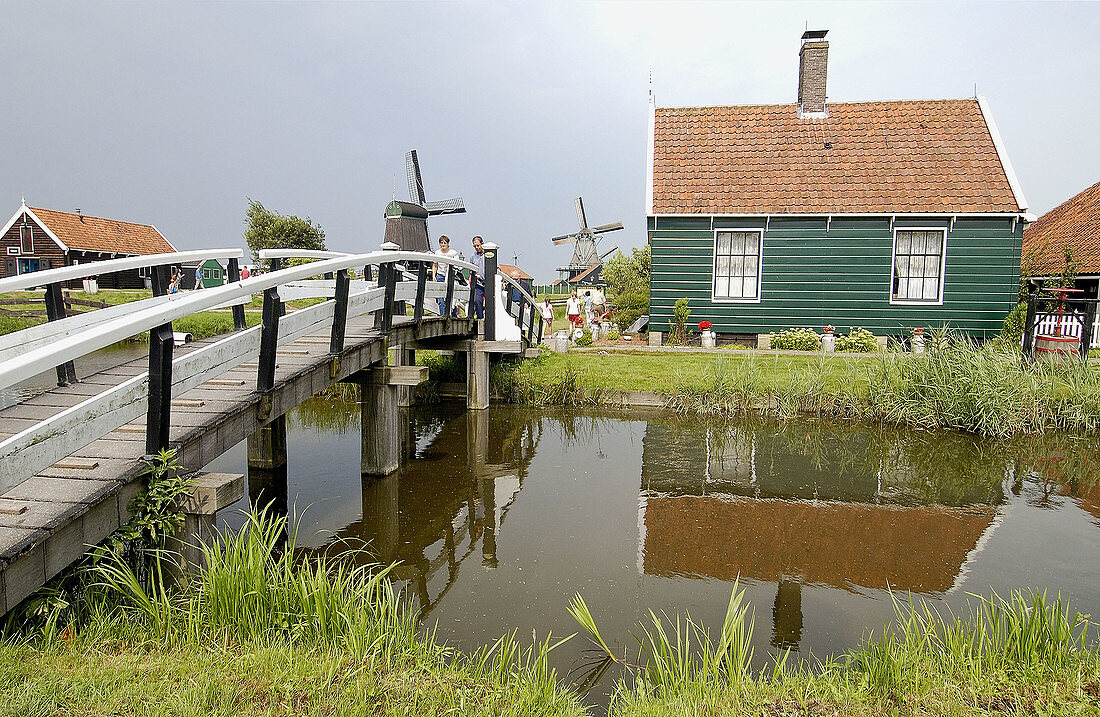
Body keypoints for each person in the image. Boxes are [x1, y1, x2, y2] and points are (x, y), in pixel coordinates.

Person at [434, 235, 459, 316]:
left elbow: (457, 265)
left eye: (445, 242)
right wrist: (433, 276)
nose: (443, 244)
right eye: (441, 243)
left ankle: (453, 316)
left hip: (450, 276)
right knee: (440, 297)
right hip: (440, 275)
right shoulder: (437, 253)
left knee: (451, 296)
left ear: (448, 243)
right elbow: (435, 265)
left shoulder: (453, 253)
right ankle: (442, 316)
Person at [470, 235, 486, 319]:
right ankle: (480, 319)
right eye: (474, 246)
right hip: (478, 283)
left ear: (482, 244)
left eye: (478, 245)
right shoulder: (473, 256)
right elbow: (470, 268)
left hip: (488, 282)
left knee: (489, 302)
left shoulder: (488, 254)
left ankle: (490, 320)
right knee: (477, 300)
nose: (476, 247)